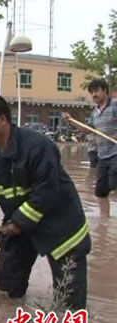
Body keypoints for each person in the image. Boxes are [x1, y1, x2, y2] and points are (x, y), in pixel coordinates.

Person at [0, 95, 91, 310]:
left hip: (61, 227)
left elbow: (46, 193)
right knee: (6, 289)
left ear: (2, 120)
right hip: (19, 225)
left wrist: (18, 222)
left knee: (69, 300)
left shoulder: (37, 146)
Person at [63, 78, 116, 218]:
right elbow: (87, 130)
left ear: (104, 90)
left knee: (114, 182)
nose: (94, 95)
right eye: (91, 92)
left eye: (97, 91)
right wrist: (71, 121)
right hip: (102, 156)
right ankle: (105, 219)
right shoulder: (95, 113)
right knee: (100, 190)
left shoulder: (114, 106)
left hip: (116, 153)